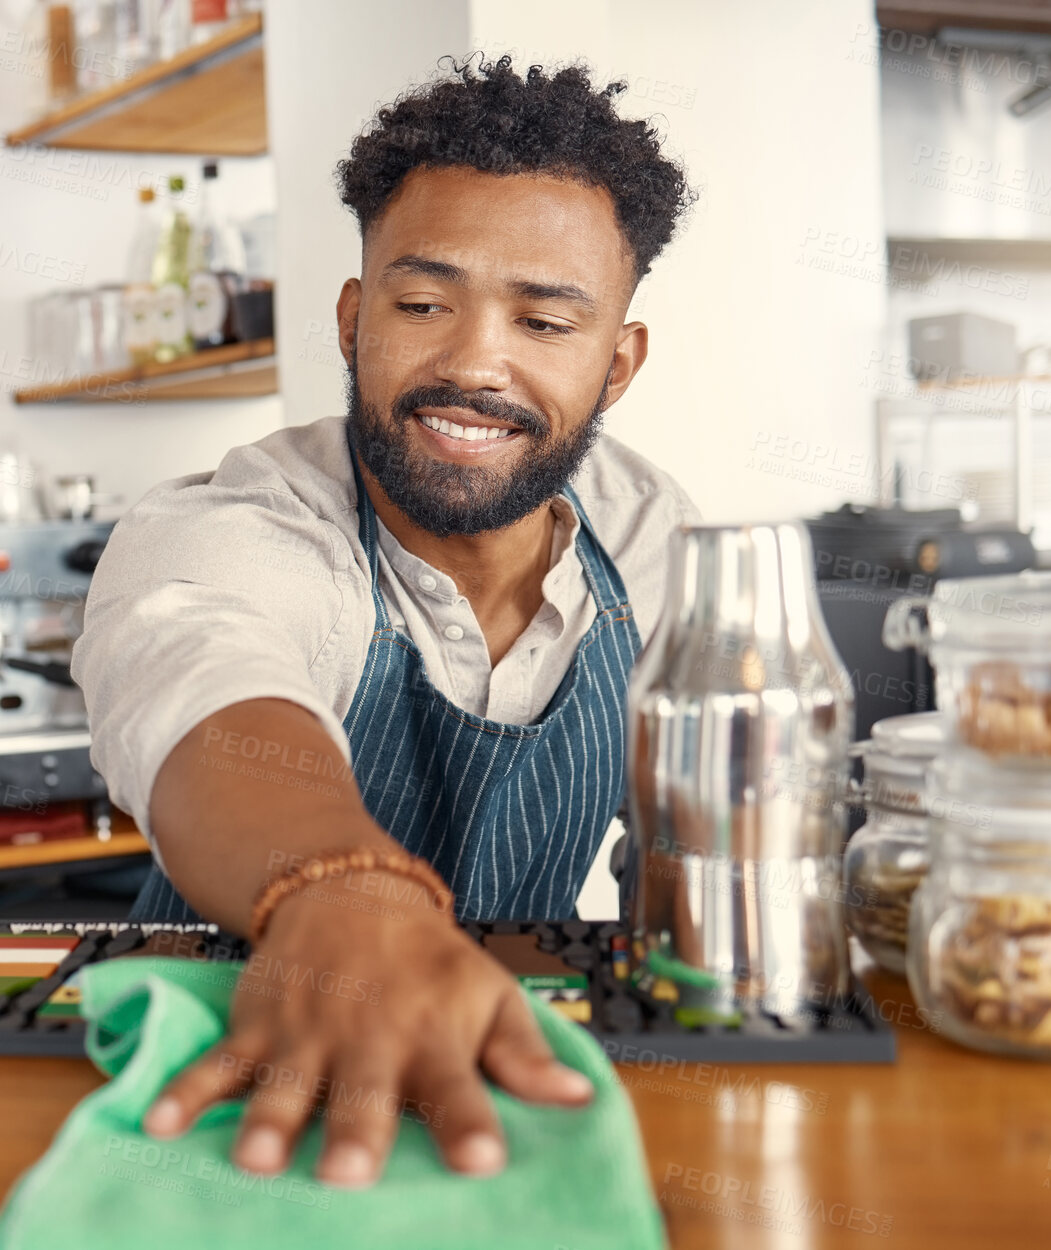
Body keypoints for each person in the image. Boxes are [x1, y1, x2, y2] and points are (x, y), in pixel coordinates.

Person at [73, 54, 698, 1190]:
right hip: (209, 1088)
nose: (472, 363)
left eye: (546, 320)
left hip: (506, 1077)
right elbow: (207, 673)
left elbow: (693, 832)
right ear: (355, 320)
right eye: (422, 305)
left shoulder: (650, 537)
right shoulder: (244, 519)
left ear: (617, 363)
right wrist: (337, 890)